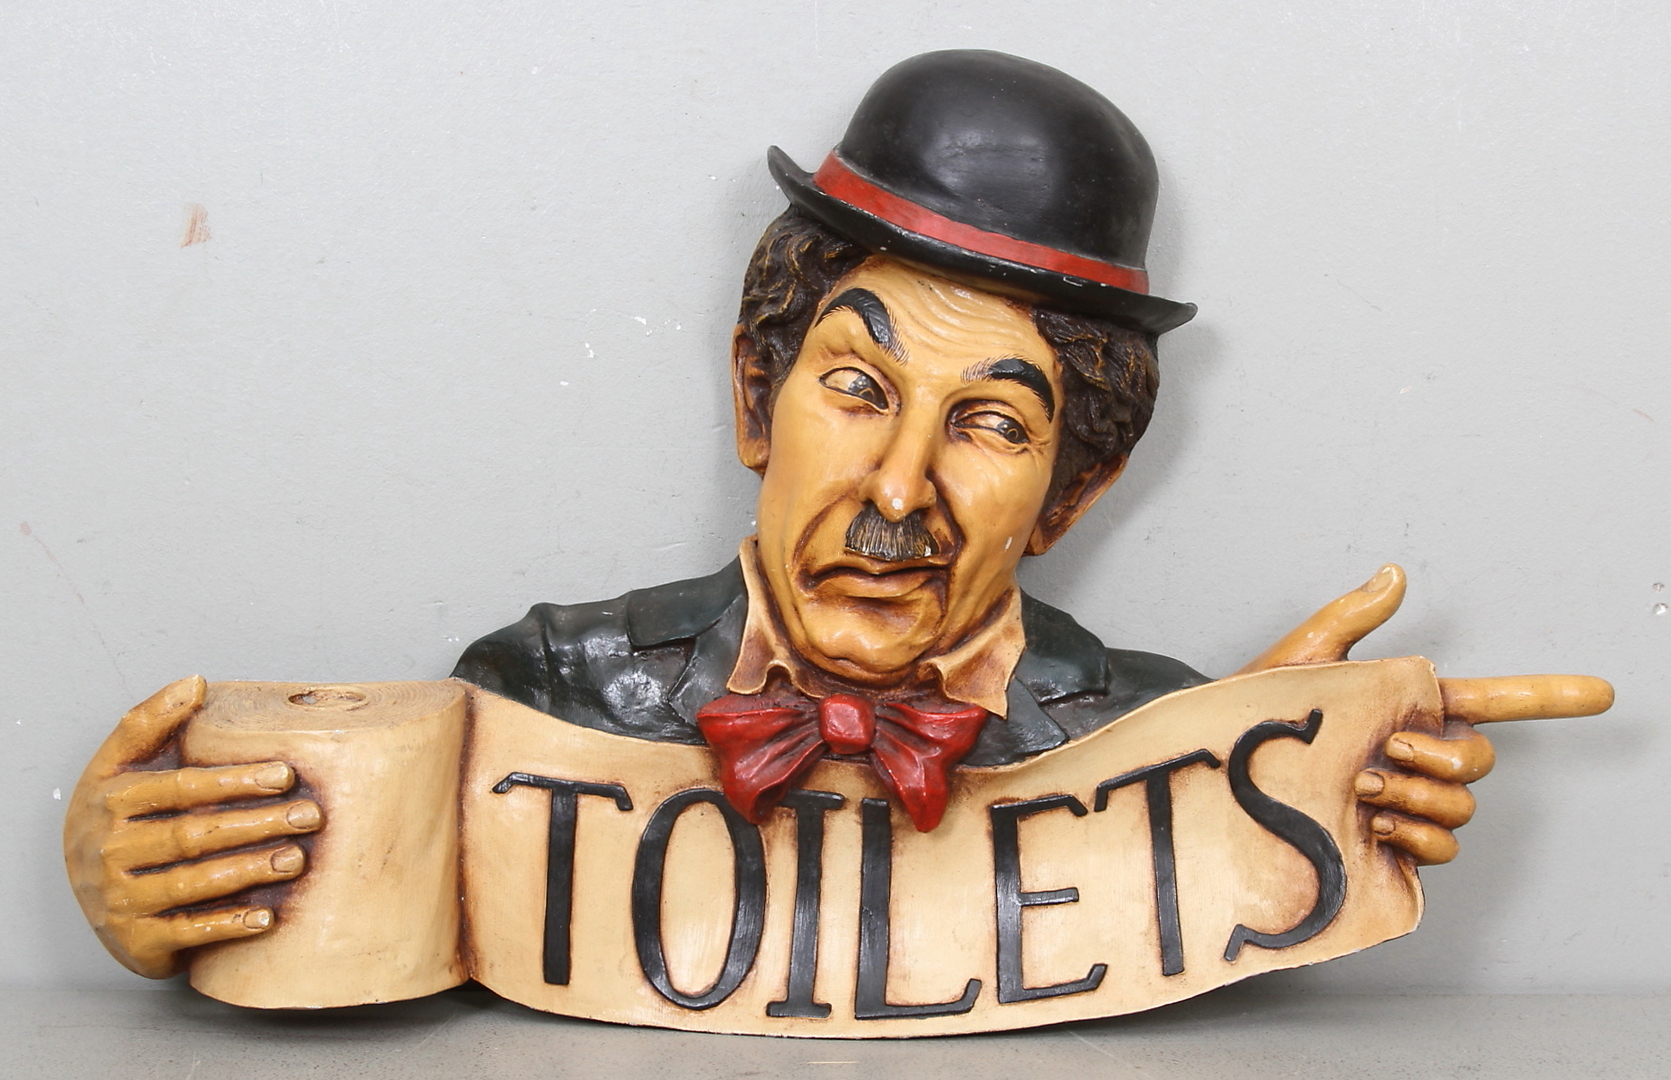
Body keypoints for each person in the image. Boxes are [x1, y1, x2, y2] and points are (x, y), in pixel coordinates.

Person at [63, 50, 1607, 982]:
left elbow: (1194, 892)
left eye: (990, 425)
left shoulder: (1152, 748)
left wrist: (1270, 783)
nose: (898, 493)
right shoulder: (538, 697)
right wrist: (169, 899)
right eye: (859, 391)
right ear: (758, 397)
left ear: (1073, 492)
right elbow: (379, 907)